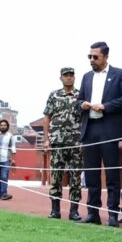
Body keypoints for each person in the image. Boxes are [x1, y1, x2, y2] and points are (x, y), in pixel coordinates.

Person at [77, 41, 122, 226]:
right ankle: (92, 213)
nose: (92, 60)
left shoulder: (120, 74)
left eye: (96, 57)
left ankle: (112, 214)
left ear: (106, 57)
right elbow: (78, 100)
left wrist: (106, 106)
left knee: (112, 174)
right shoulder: (86, 77)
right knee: (91, 174)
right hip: (90, 129)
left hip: (109, 129)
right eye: (90, 56)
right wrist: (82, 104)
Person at [43, 67, 83, 221]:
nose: (69, 77)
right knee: (56, 177)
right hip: (57, 142)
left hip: (75, 142)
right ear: (61, 78)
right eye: (66, 75)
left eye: (71, 75)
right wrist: (47, 139)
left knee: (75, 177)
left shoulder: (81, 95)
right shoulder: (54, 95)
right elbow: (47, 117)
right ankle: (55, 210)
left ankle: (74, 211)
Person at [0, 120, 16, 200]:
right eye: (1, 125)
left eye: (4, 125)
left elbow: (13, 147)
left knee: (4, 176)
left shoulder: (10, 136)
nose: (3, 127)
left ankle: (4, 193)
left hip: (6, 159)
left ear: (7, 126)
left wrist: (13, 160)